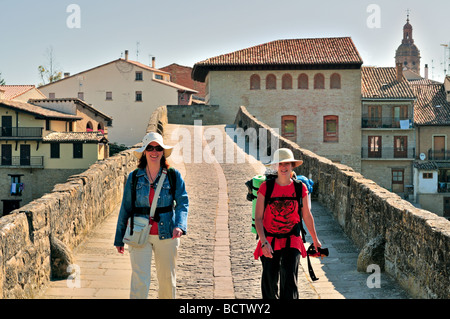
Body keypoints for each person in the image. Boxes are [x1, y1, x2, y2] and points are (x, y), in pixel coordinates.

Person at [114, 132, 189, 299]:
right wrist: (119, 238)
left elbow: (183, 202)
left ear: (163, 151)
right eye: (150, 148)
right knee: (140, 280)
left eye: (158, 148)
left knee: (167, 281)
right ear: (144, 152)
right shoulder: (134, 177)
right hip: (139, 234)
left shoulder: (173, 175)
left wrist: (180, 225)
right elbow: (125, 208)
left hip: (167, 233)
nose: (154, 152)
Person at [253, 148, 321, 299]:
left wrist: (315, 240)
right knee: (269, 283)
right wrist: (264, 242)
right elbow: (258, 218)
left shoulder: (299, 188)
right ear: (276, 166)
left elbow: (307, 215)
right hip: (270, 239)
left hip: (292, 239)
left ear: (292, 166)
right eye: (281, 164)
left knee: (290, 281)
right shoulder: (266, 187)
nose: (284, 167)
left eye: (287, 164)